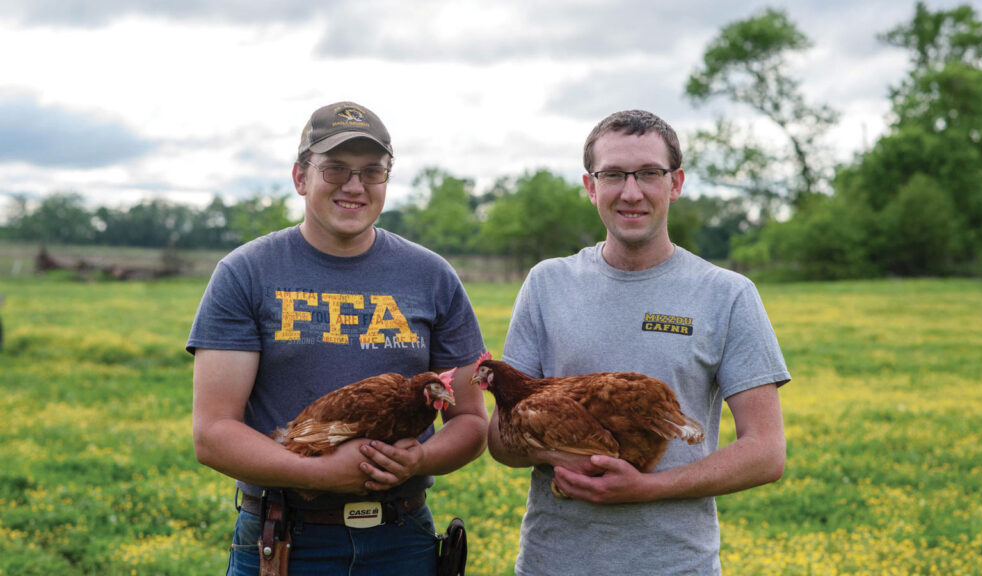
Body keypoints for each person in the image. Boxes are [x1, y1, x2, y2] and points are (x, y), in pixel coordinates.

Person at [187, 101, 488, 576]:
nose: (354, 186)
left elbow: (471, 421)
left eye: (372, 171)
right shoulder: (246, 273)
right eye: (335, 170)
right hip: (285, 538)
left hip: (401, 540)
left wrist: (419, 458)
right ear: (300, 177)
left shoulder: (432, 277)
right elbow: (213, 434)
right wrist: (319, 473)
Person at [488, 109, 790, 575]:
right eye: (613, 174)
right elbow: (501, 441)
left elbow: (766, 453)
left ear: (676, 183)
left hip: (674, 565)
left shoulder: (726, 294)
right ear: (591, 187)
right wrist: (574, 451)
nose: (631, 192)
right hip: (554, 564)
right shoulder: (547, 284)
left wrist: (646, 488)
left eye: (649, 173)